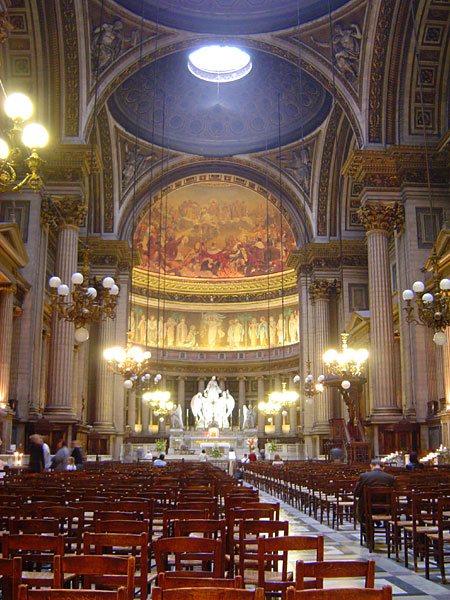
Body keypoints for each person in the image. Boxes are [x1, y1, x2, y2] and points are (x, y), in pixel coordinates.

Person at [354, 459, 395, 524]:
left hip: (367, 508)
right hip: (385, 508)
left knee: (360, 501)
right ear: (383, 467)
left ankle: (366, 527)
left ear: (371, 466)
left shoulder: (364, 476)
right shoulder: (390, 478)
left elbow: (356, 493)